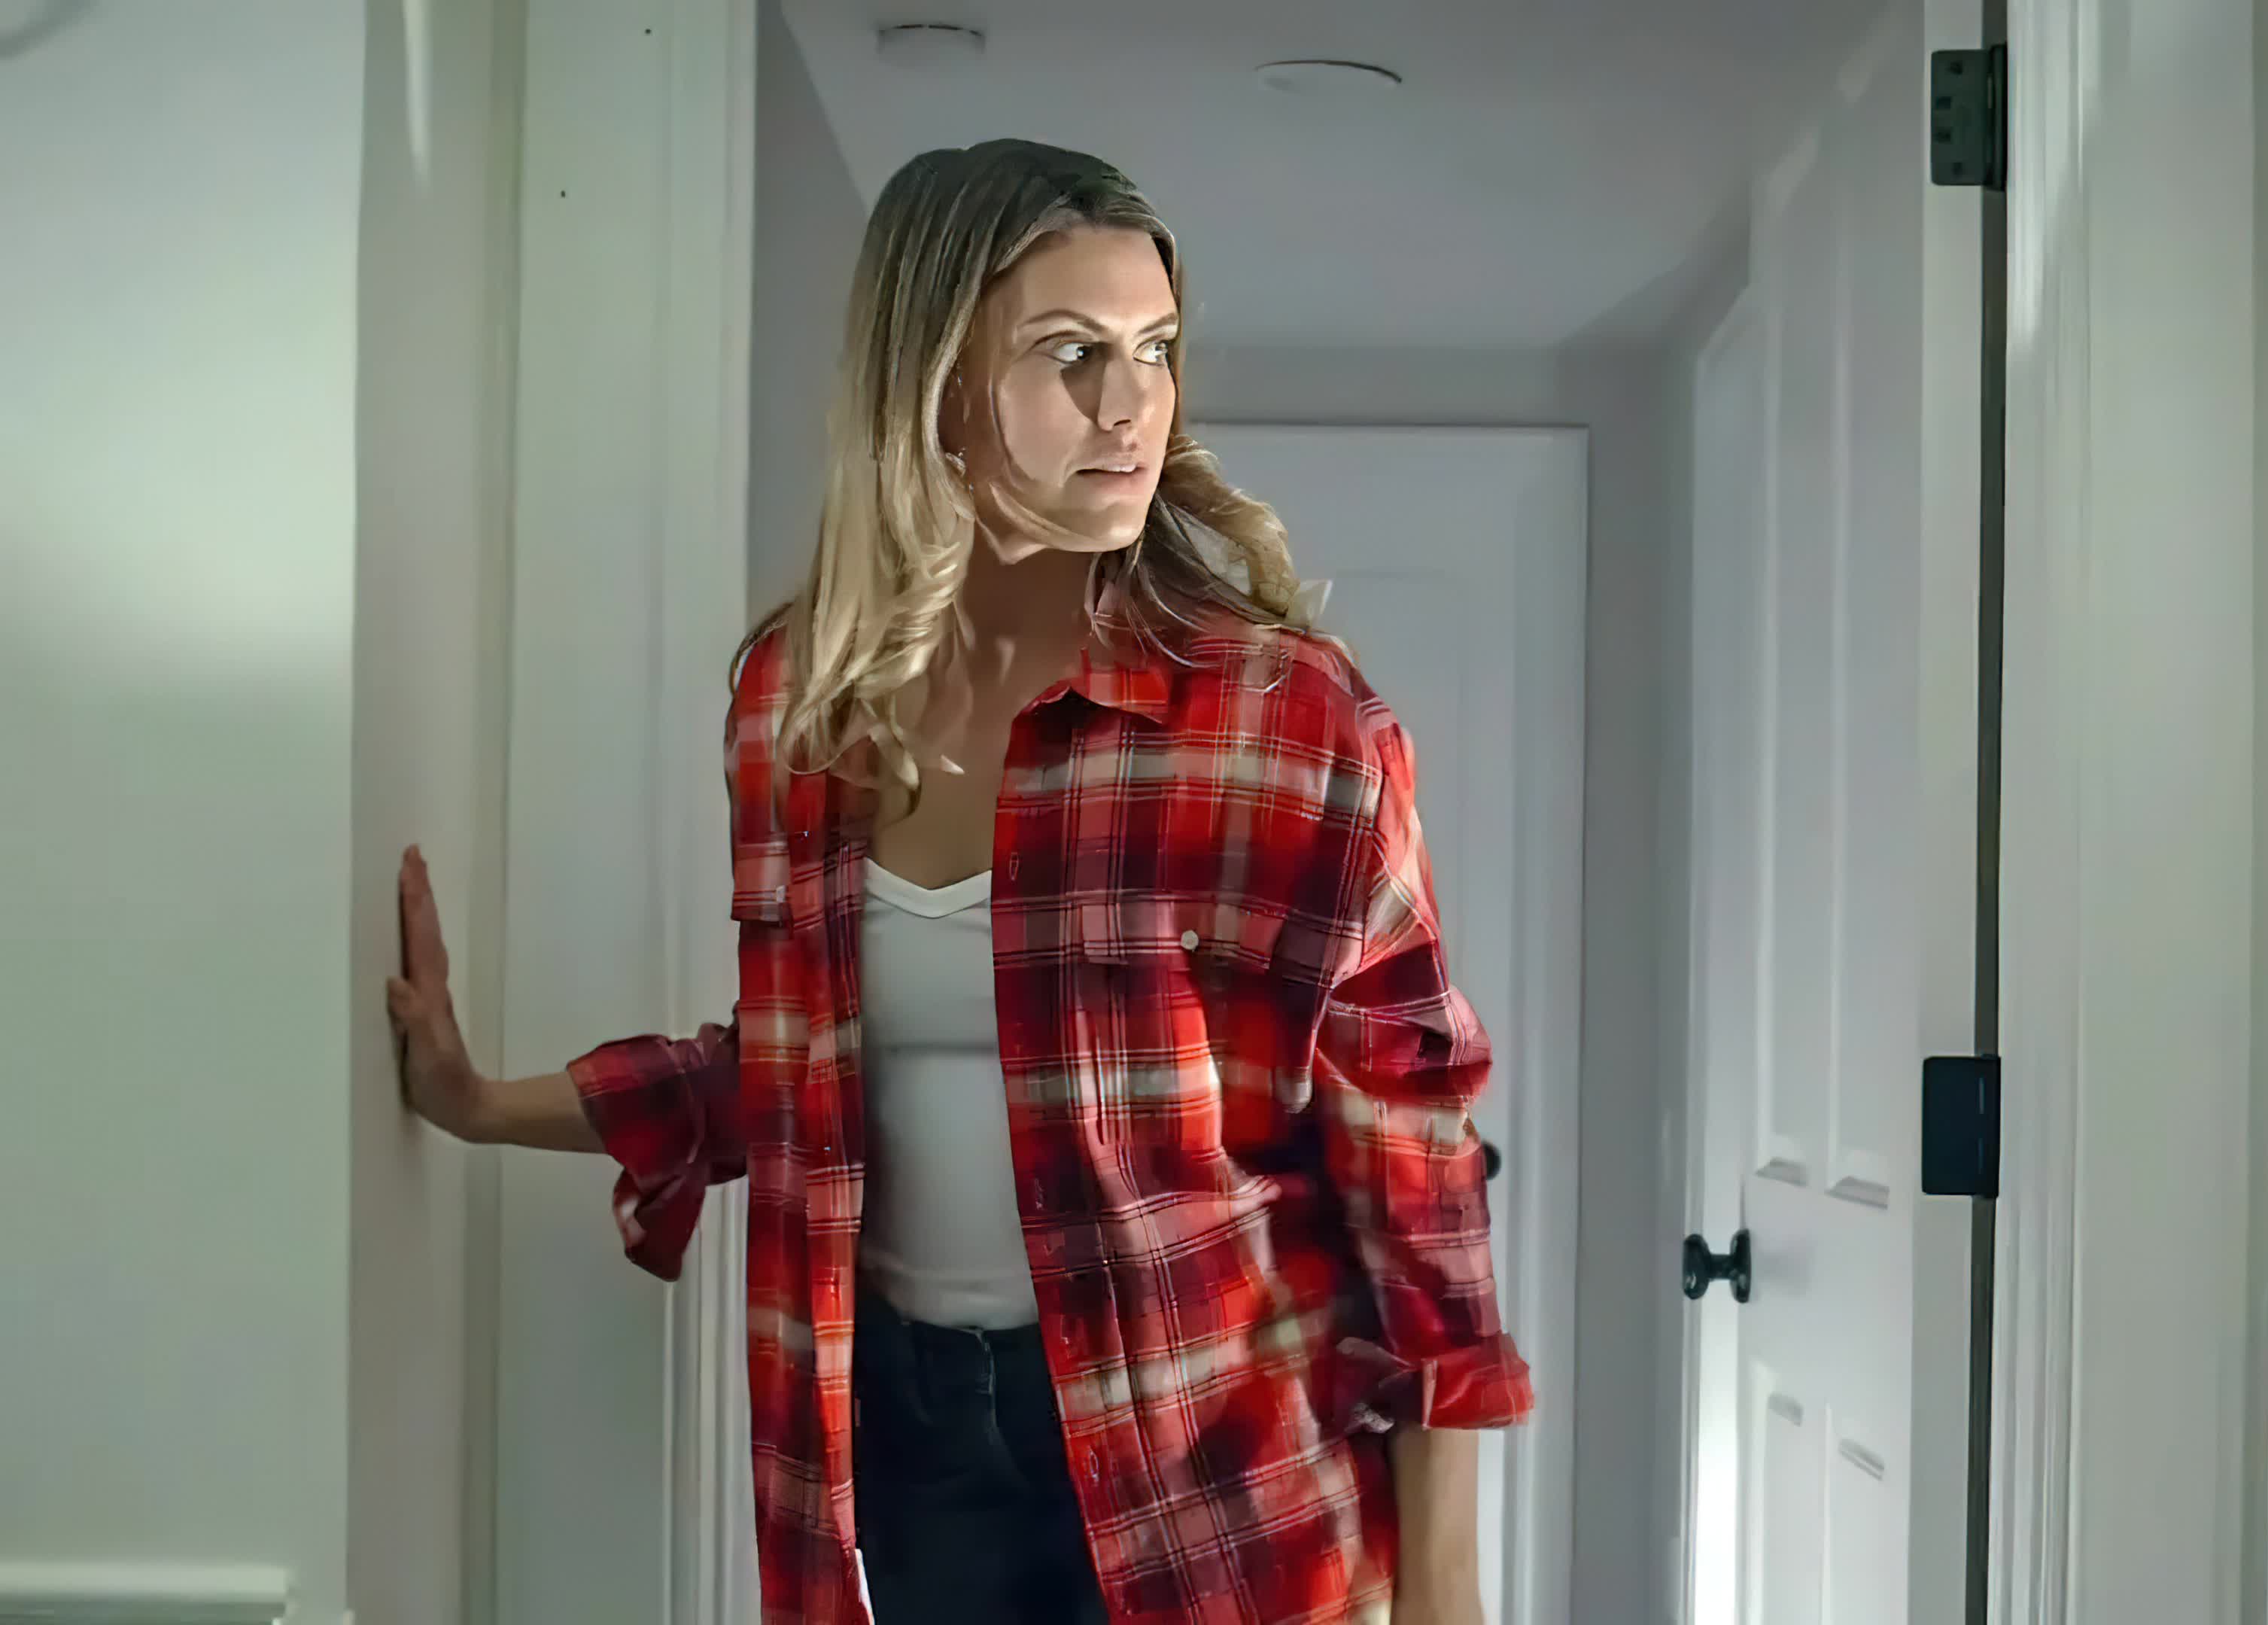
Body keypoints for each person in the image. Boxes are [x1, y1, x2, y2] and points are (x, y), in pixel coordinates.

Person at [385, 138, 1529, 1625]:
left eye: (1155, 350)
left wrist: (1446, 1596)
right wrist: (479, 1102)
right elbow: (797, 1075)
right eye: (1071, 354)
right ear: (932, 384)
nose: (1130, 406)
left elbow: (1417, 1170)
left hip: (1220, 1464)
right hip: (919, 1447)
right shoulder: (799, 704)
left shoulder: (1288, 720)